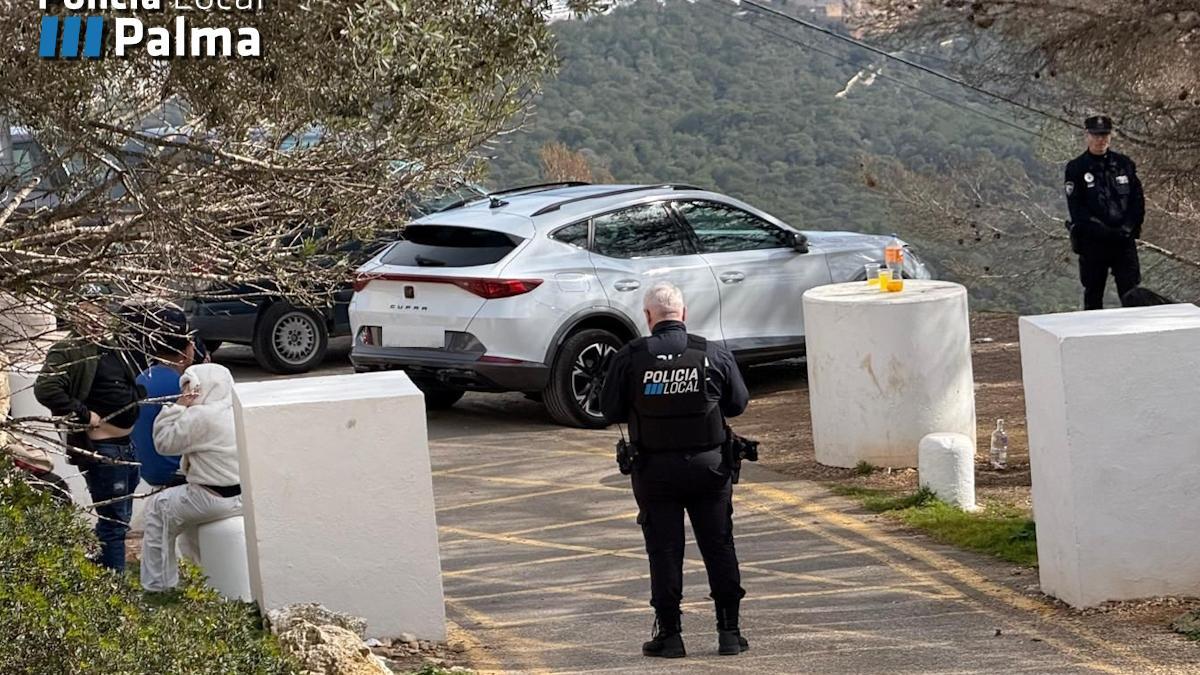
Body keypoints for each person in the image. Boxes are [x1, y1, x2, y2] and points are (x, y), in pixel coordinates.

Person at [600, 281, 750, 659]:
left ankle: (670, 636)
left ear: (648, 317)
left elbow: (609, 410)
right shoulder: (712, 353)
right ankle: (729, 633)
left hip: (654, 469)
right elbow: (737, 405)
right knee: (719, 545)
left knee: (664, 550)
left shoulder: (631, 356)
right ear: (683, 315)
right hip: (710, 468)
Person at [34, 292, 143, 573]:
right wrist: (84, 414)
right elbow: (45, 389)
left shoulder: (113, 345)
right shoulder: (68, 349)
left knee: (118, 518)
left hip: (127, 446)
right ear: (75, 315)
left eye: (99, 312)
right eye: (86, 313)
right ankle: (114, 589)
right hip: (103, 450)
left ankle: (100, 569)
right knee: (115, 523)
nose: (94, 319)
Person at [140, 363, 242, 593]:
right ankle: (201, 577)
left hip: (212, 497)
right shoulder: (237, 410)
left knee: (158, 508)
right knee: (186, 521)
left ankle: (158, 585)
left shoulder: (201, 416)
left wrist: (177, 406)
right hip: (242, 496)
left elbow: (163, 442)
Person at [1064, 114, 1146, 310]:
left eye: (1104, 135)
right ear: (1087, 135)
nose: (1100, 139)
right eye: (1096, 135)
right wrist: (1102, 231)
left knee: (1131, 293)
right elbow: (1077, 209)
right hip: (1094, 243)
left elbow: (1137, 200)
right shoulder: (1076, 168)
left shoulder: (1123, 164)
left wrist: (1128, 227)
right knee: (1093, 294)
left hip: (1123, 241)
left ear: (1110, 136)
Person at [129, 304, 196, 489]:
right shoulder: (181, 385)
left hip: (147, 471)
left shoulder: (143, 377)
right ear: (186, 350)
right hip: (176, 474)